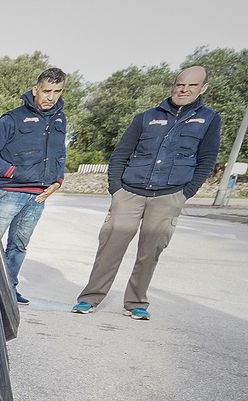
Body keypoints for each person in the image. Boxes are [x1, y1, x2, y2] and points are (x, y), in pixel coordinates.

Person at [72, 66, 221, 320]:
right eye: (180, 84)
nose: (184, 90)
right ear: (174, 85)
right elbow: (120, 154)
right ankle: (90, 298)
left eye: (192, 86)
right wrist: (116, 190)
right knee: (109, 247)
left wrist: (185, 193)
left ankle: (136, 302)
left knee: (150, 252)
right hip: (130, 191)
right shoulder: (146, 117)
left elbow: (206, 160)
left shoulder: (209, 119)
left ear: (203, 88)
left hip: (169, 194)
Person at [0, 67, 69, 306]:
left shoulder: (60, 119)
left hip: (37, 197)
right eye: (47, 91)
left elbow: (60, 153)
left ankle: (8, 291)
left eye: (57, 91)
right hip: (8, 193)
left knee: (18, 246)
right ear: (35, 89)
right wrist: (13, 173)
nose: (51, 97)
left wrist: (58, 181)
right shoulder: (12, 118)